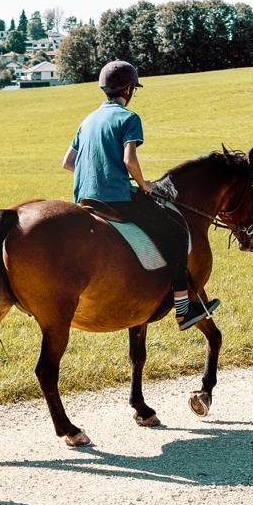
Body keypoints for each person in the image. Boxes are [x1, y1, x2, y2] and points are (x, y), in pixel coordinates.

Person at [62, 59, 218, 329]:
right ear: (128, 89)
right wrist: (143, 185)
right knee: (178, 232)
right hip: (117, 199)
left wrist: (96, 175)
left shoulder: (87, 120)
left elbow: (67, 162)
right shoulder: (128, 118)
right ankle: (183, 307)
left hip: (85, 198)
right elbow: (129, 160)